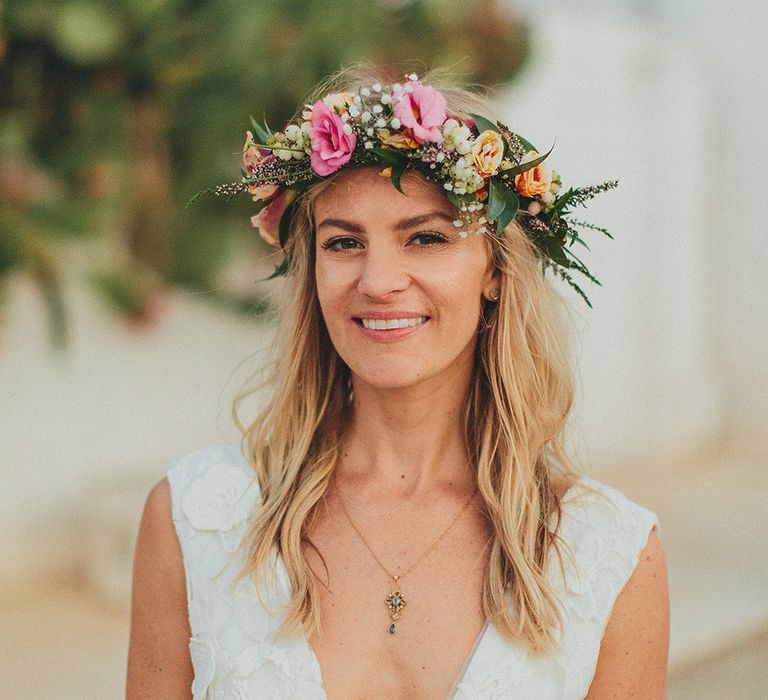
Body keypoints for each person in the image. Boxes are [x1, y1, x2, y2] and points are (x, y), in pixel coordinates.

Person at [126, 66, 669, 699]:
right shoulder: (195, 516)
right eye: (343, 242)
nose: (379, 280)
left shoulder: (608, 552)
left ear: (496, 271)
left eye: (427, 238)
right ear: (313, 271)